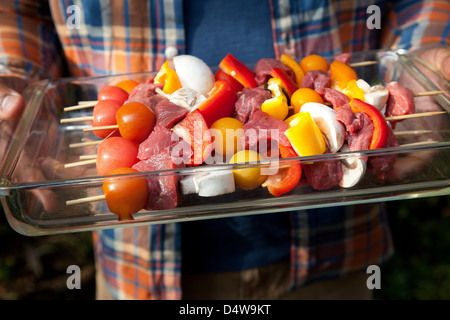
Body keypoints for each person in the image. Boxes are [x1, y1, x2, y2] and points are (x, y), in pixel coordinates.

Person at [0, 0, 449, 300]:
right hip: (139, 275)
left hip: (338, 260)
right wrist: (11, 76)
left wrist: (430, 51)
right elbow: (19, 8)